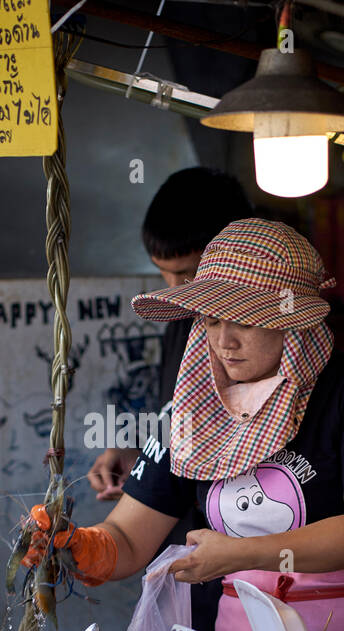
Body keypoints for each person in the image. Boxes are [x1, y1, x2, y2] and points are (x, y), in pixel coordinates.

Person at [26, 219, 344, 631]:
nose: (224, 342)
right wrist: (77, 545)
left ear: (295, 318)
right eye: (210, 319)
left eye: (244, 320)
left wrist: (241, 554)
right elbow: (126, 538)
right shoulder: (190, 409)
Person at [85, 167, 253, 501]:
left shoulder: (266, 340)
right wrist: (139, 457)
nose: (175, 289)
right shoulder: (182, 318)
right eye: (163, 272)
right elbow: (180, 417)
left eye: (188, 274)